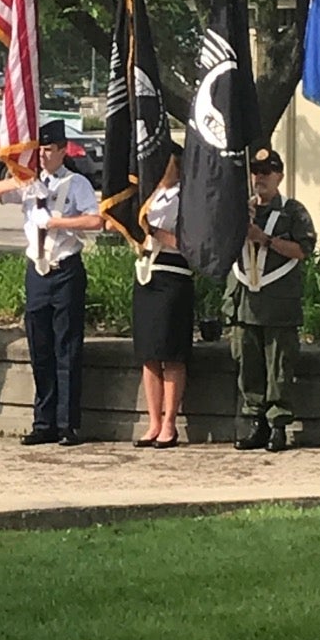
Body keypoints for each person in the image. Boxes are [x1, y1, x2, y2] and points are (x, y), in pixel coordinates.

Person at [0, 120, 102, 446]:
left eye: (47, 149)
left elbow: (95, 220)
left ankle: (67, 423)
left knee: (66, 348)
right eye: (39, 150)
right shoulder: (31, 183)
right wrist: (19, 181)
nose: (42, 155)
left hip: (65, 268)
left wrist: (57, 221)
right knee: (39, 347)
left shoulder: (77, 183)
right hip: (38, 270)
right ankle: (43, 422)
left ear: (61, 150)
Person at [227, 147, 317, 452]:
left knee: (278, 367)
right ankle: (257, 424)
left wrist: (263, 238)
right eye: (255, 172)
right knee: (248, 365)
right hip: (246, 303)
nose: (259, 178)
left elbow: (303, 250)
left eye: (266, 173)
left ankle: (279, 425)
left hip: (278, 304)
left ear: (279, 175)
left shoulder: (292, 211)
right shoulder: (239, 209)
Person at [130, 151, 193, 447]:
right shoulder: (149, 193)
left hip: (172, 274)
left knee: (171, 352)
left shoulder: (187, 196)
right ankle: (153, 421)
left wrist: (153, 230)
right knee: (149, 352)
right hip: (146, 275)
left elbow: (191, 243)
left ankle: (170, 423)